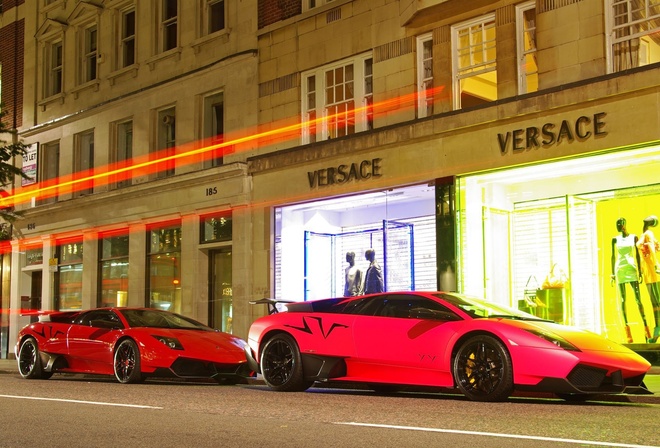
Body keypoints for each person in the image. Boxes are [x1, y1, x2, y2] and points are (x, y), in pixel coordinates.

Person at [611, 217, 650, 343]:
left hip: (632, 268)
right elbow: (613, 256)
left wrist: (640, 270)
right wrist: (612, 273)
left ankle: (646, 327)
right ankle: (627, 330)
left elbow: (637, 254)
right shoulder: (615, 239)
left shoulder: (633, 237)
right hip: (620, 270)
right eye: (617, 224)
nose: (618, 226)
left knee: (638, 299)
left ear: (624, 224)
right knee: (623, 300)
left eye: (620, 224)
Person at [637, 215, 660, 343]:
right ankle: (658, 327)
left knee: (656, 300)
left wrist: (656, 265)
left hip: (651, 268)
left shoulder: (648, 233)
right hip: (647, 269)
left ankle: (658, 327)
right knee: (655, 301)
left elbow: (651, 248)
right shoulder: (644, 233)